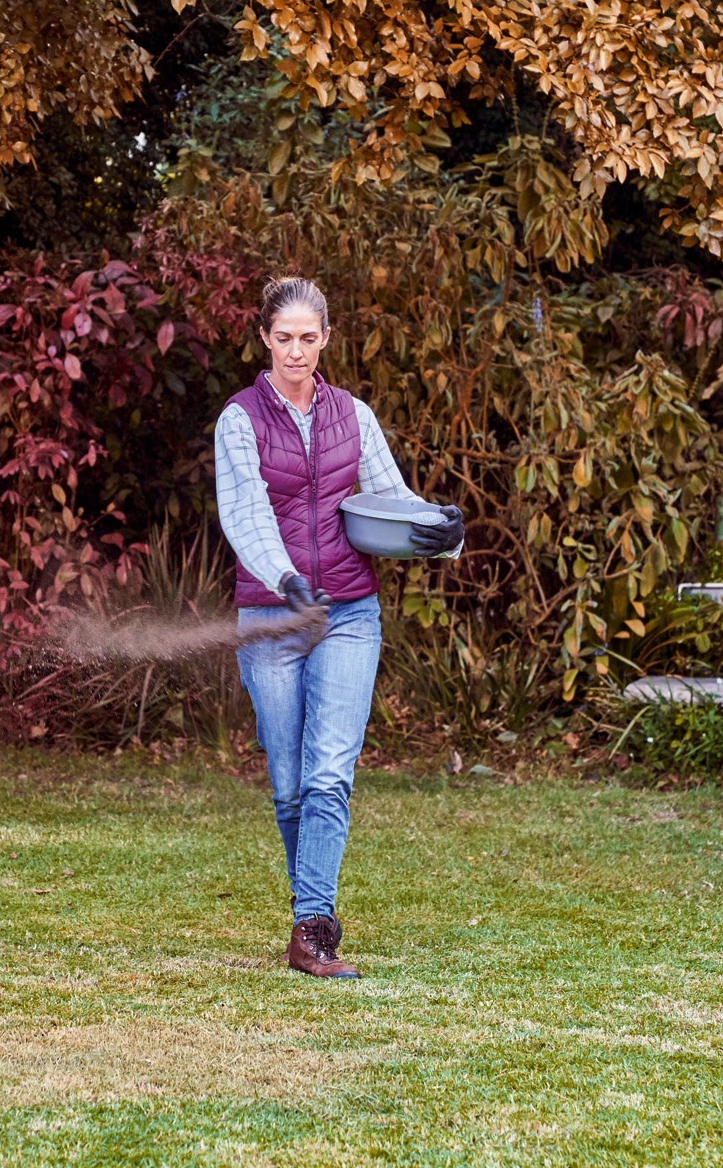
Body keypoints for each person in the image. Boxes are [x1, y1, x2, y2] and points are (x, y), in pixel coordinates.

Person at [215, 276, 464, 979]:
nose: (295, 351)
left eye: (308, 337)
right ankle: (311, 914)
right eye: (283, 338)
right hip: (273, 617)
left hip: (350, 612)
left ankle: (312, 929)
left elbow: (390, 499)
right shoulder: (239, 420)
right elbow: (246, 512)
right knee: (290, 783)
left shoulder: (353, 415)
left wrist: (442, 532)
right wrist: (285, 578)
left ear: (326, 337)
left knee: (328, 774)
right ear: (264, 339)